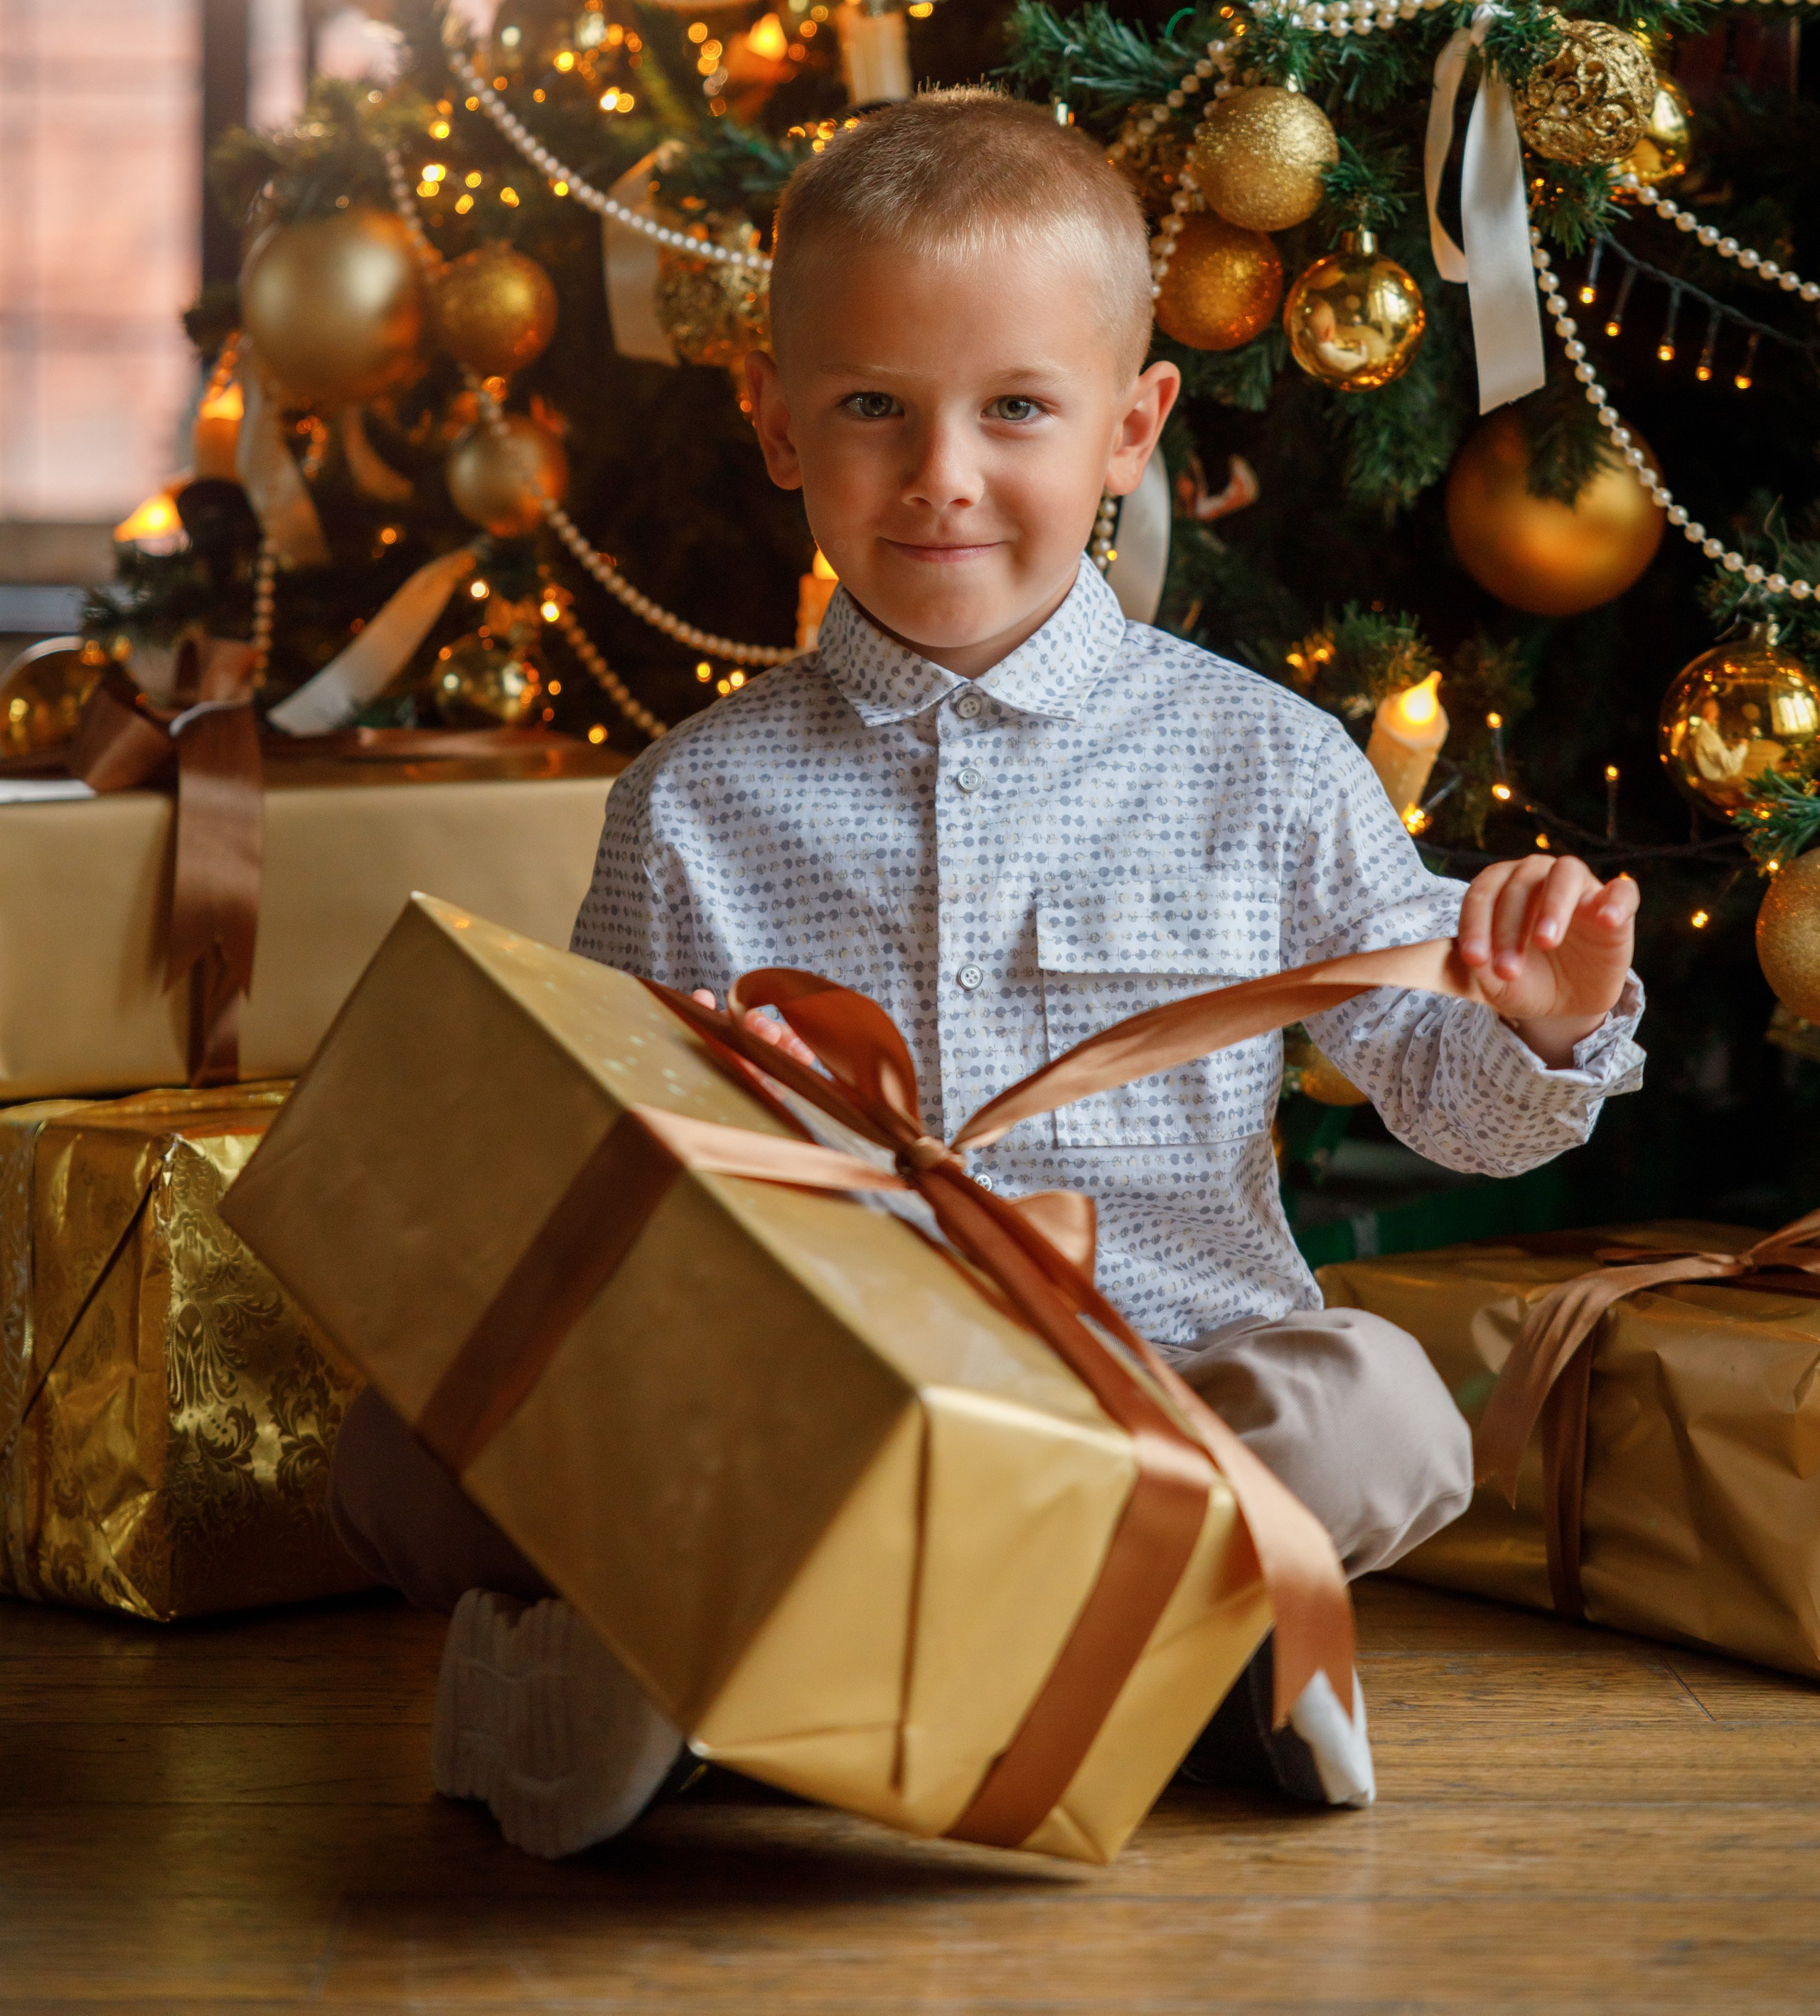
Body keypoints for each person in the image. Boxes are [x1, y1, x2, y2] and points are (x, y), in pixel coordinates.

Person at [331, 89, 1644, 1855]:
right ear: (777, 421)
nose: (941, 473)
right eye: (873, 408)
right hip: (791, 1414)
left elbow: (1463, 1119)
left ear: (1129, 424)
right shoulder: (691, 807)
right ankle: (1134, 1676)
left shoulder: (1266, 769)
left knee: (1379, 1406)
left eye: (1015, 409)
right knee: (390, 1450)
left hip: (1157, 1405)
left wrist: (1547, 1025)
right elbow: (592, 1181)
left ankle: (710, 1674)